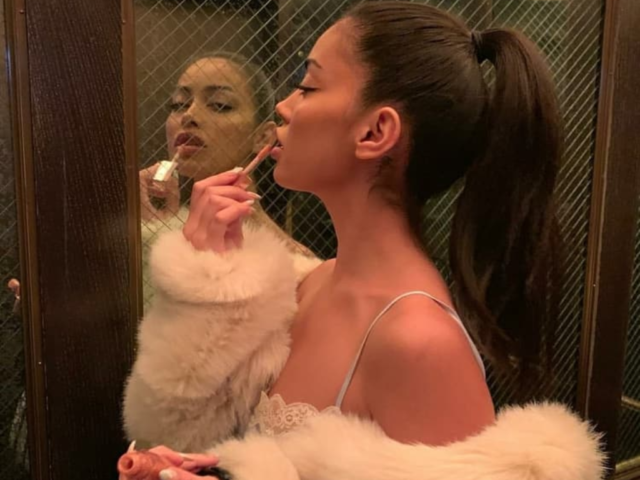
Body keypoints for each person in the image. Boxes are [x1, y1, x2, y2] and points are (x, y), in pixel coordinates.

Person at [122, 3, 603, 480]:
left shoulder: (420, 342)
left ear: (375, 131)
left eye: (308, 86)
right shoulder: (310, 283)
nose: (283, 106)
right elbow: (196, 431)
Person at [139, 51, 310, 304]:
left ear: (263, 137)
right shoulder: (151, 226)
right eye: (178, 104)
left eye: (220, 105)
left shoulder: (296, 264)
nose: (189, 115)